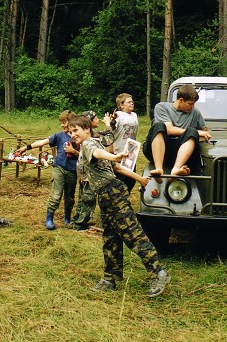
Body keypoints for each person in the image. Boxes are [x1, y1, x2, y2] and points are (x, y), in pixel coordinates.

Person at [68, 115, 171, 297]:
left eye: (75, 130)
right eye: (70, 132)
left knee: (132, 234)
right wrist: (139, 178)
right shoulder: (96, 143)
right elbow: (115, 168)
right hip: (107, 195)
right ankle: (110, 278)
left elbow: (101, 155)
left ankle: (158, 272)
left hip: (112, 193)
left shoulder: (89, 145)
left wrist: (115, 156)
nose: (72, 134)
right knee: (110, 238)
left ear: (86, 129)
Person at [16, 110, 78, 230]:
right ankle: (49, 219)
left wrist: (74, 152)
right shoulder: (59, 135)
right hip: (59, 168)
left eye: (64, 122)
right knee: (56, 194)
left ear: (72, 122)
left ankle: (67, 218)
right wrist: (27, 147)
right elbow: (43, 142)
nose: (62, 125)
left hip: (73, 170)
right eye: (61, 123)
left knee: (70, 197)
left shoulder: (78, 136)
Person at [143, 85, 211, 180]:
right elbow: (169, 130)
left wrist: (201, 133)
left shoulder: (195, 113)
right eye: (190, 104)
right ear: (181, 100)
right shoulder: (162, 107)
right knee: (159, 126)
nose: (193, 107)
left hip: (181, 151)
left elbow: (204, 132)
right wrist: (197, 132)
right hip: (159, 148)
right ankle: (159, 169)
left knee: (192, 131)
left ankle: (176, 169)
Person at [70, 111, 114, 231]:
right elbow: (109, 139)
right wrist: (108, 124)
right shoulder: (92, 137)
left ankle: (77, 221)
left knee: (84, 199)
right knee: (87, 199)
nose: (97, 120)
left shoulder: (91, 136)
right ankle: (79, 223)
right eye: (95, 118)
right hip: (87, 177)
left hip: (84, 175)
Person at [109, 93, 140, 191]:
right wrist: (112, 121)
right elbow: (111, 128)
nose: (132, 103)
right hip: (119, 151)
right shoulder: (118, 115)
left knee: (131, 179)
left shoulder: (134, 115)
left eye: (132, 101)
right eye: (129, 102)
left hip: (131, 151)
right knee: (120, 179)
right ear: (121, 105)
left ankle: (125, 198)